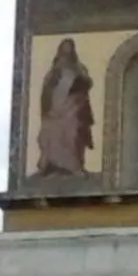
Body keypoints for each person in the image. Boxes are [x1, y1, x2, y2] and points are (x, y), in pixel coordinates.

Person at [35, 39, 94, 176]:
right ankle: (51, 164)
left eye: (69, 50)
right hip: (54, 111)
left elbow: (87, 83)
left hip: (73, 108)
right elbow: (47, 92)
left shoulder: (79, 69)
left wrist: (79, 84)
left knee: (72, 135)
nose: (66, 53)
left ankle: (73, 166)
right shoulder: (53, 73)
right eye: (64, 50)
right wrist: (48, 109)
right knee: (50, 134)